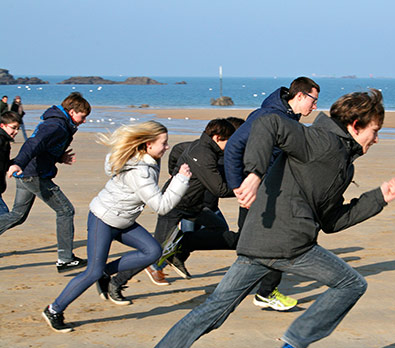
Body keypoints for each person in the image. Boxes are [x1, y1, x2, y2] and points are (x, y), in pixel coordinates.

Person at [111, 89, 395, 348]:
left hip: (258, 243)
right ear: (356, 125)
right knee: (351, 284)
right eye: (375, 131)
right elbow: (268, 125)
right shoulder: (320, 140)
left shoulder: (343, 163)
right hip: (287, 243)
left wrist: (376, 199)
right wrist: (254, 174)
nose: (376, 139)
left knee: (207, 315)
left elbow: (331, 221)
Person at [42, 121, 191, 332]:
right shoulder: (140, 171)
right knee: (91, 272)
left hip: (124, 221)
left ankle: (104, 273)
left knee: (152, 251)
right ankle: (54, 309)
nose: (167, 147)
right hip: (103, 220)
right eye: (164, 143)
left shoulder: (147, 161)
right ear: (148, 145)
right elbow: (161, 206)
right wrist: (181, 181)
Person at [105, 118, 235, 298]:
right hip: (174, 205)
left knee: (219, 228)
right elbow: (219, 189)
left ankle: (179, 250)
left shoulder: (201, 146)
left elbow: (177, 150)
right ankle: (116, 282)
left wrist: (174, 171)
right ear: (218, 137)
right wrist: (247, 188)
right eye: (230, 141)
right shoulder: (204, 154)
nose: (231, 146)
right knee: (154, 252)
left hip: (194, 206)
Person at [223, 76, 320, 311]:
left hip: (273, 191)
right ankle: (263, 293)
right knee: (275, 242)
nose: (315, 106)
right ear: (300, 96)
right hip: (259, 192)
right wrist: (239, 186)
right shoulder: (268, 116)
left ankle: (254, 291)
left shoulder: (289, 118)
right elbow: (234, 146)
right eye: (313, 100)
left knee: (257, 245)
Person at [1, 92, 91, 273]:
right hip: (33, 174)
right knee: (65, 210)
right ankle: (65, 259)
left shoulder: (61, 123)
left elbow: (45, 147)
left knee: (18, 215)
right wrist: (18, 163)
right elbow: (33, 143)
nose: (84, 121)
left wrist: (59, 156)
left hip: (29, 172)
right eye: (83, 116)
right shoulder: (55, 125)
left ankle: (65, 258)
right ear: (72, 112)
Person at [0, 111, 21, 214]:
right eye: (13, 127)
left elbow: (4, 163)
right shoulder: (1, 140)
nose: (16, 131)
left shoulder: (5, 142)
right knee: (4, 217)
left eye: (18, 128)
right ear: (2, 125)